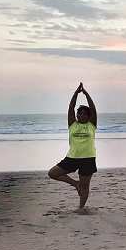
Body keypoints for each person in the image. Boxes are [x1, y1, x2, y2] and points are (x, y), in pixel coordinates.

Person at [47, 83, 97, 214]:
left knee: (85, 185)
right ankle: (75, 184)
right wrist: (75, 93)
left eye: (84, 114)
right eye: (79, 114)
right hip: (72, 157)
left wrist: (86, 94)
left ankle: (81, 208)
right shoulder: (72, 124)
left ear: (88, 116)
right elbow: (71, 107)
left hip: (88, 158)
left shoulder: (92, 125)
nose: (81, 116)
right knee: (52, 173)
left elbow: (93, 107)